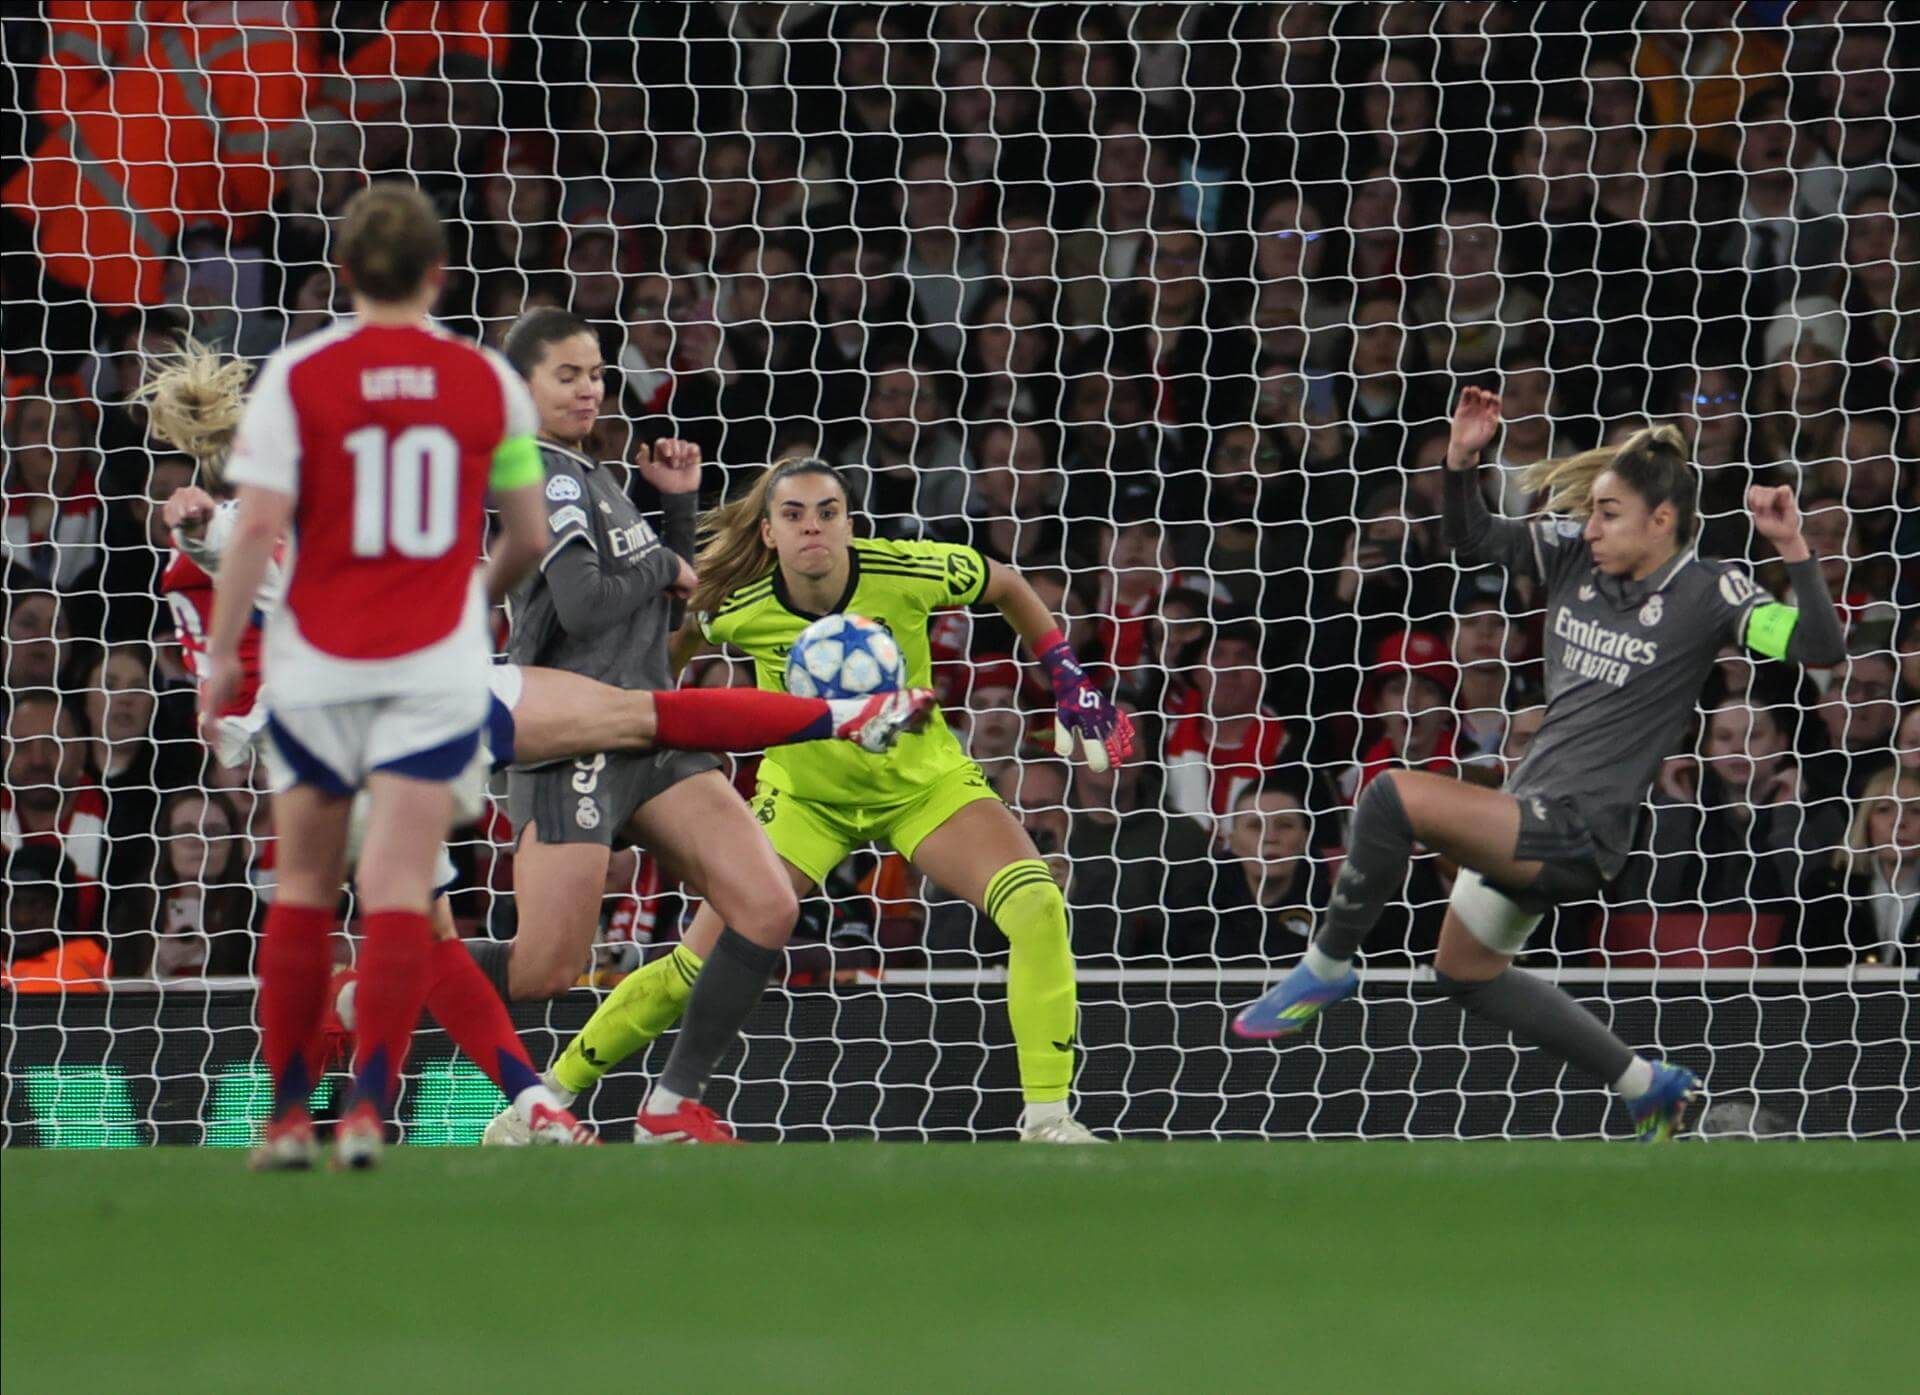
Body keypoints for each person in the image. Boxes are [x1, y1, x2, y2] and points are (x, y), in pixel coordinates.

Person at [1234, 386, 1848, 1143]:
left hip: (1579, 830)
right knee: (1465, 974)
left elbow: (1820, 647)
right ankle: (1650, 1088)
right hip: (1529, 818)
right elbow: (1472, 538)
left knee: (1389, 796)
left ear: (1663, 520)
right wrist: (1463, 461)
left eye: (1608, 512)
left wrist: (1794, 551)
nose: (1589, 525)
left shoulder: (1712, 590)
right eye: (1590, 508)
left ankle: (1324, 966)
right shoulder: (1569, 556)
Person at [531, 456, 1135, 1143]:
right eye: (793, 515)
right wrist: (630, 732)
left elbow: (1007, 583)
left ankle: (1050, 1119)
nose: (812, 527)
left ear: (850, 524)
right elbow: (671, 651)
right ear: (766, 533)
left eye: (827, 512)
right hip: (804, 800)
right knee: (692, 966)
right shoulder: (736, 604)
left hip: (922, 784)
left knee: (1034, 902)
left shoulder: (908, 569)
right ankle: (542, 1099)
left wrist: (1065, 674)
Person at [200, 183, 587, 1170]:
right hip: (428, 668)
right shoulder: (482, 382)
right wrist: (467, 598)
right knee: (401, 893)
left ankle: (290, 1119)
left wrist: (218, 654)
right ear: (436, 274)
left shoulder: (300, 373)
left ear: (342, 271)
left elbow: (254, 527)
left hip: (321, 664)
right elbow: (529, 537)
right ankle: (368, 1110)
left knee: (302, 887)